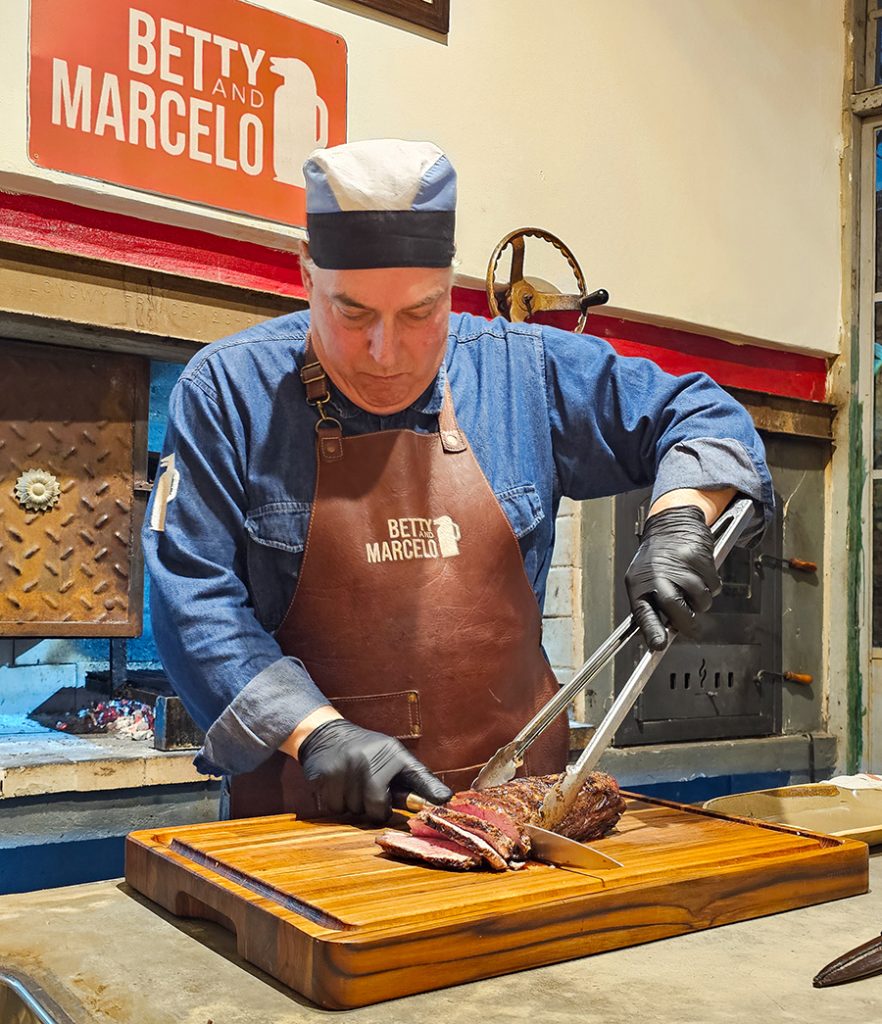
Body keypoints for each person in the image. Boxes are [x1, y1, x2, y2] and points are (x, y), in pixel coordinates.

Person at [143, 139, 773, 823]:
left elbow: (702, 413)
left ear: (450, 282)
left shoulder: (523, 373)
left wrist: (681, 514)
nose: (386, 353)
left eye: (420, 313)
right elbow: (191, 597)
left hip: (518, 812)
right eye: (353, 313)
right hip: (309, 816)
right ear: (306, 274)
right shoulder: (226, 391)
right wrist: (314, 731)